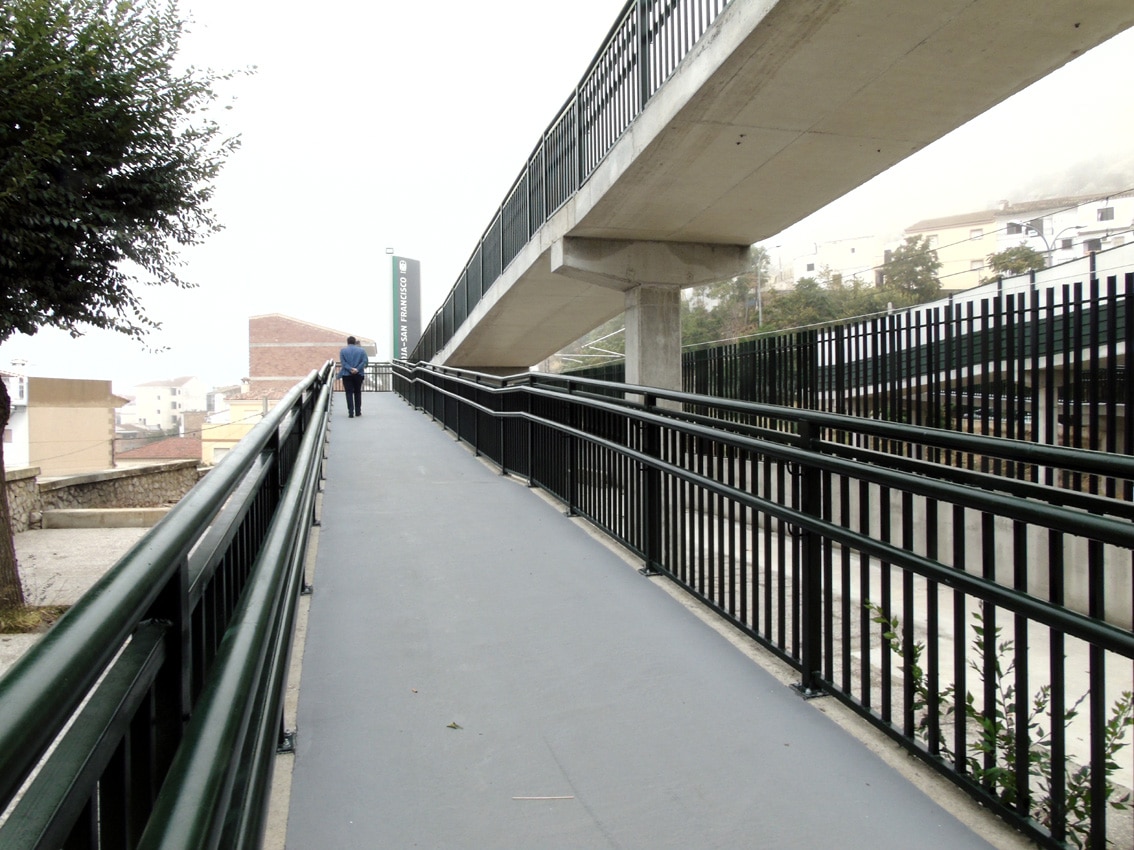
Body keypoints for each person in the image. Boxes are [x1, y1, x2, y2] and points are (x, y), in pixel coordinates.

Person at [339, 335, 369, 418]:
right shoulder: (362, 351)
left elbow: (343, 362)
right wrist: (357, 369)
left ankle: (350, 412)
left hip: (346, 374)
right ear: (355, 342)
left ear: (347, 342)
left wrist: (350, 368)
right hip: (358, 374)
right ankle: (358, 411)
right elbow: (364, 361)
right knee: (357, 392)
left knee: (348, 393)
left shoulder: (343, 351)